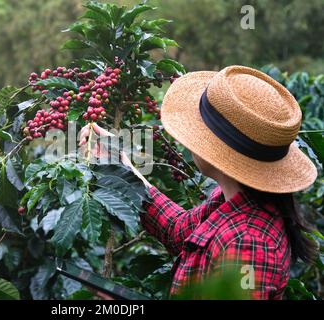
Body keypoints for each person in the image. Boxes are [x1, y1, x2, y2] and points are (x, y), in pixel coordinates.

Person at [79, 65, 318, 299]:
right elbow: (177, 230)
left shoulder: (246, 245)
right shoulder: (233, 200)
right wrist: (122, 166)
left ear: (220, 151)